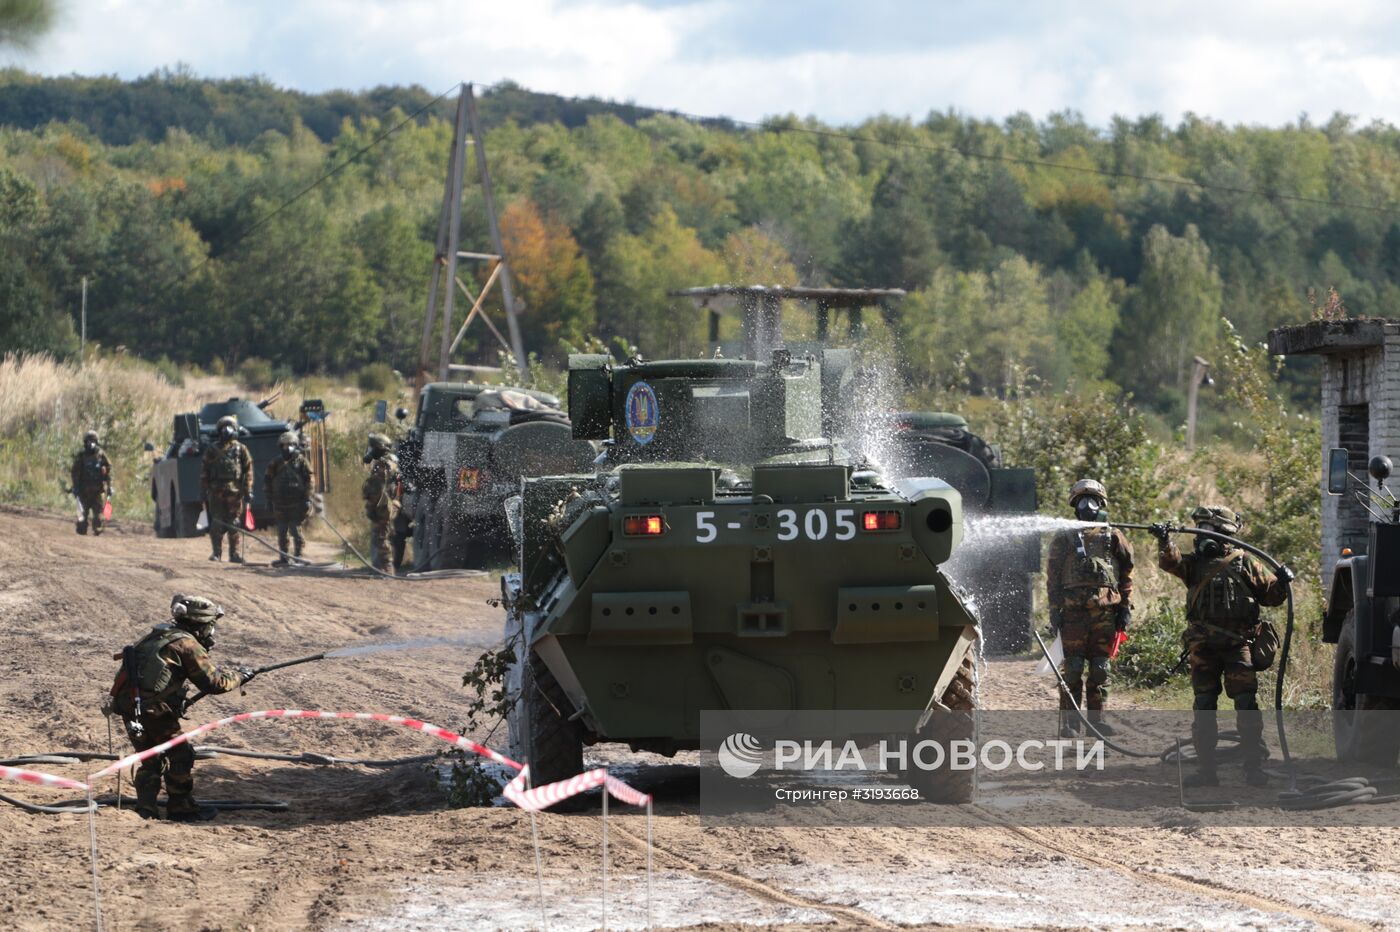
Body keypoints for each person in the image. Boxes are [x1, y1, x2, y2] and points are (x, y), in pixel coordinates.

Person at [1152, 506, 1292, 787]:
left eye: (1210, 529)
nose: (1203, 536)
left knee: (1246, 705)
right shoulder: (1192, 565)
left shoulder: (1245, 562)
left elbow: (1272, 597)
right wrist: (1164, 540)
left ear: (1225, 533)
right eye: (1201, 529)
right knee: (1204, 706)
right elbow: (1170, 562)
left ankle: (1253, 768)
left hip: (1238, 646)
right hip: (1203, 647)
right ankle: (1207, 772)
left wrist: (1284, 581)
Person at [105, 595, 252, 821]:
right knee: (181, 754)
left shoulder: (157, 636)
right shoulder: (186, 644)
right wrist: (240, 676)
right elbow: (214, 683)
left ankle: (146, 809)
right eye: (210, 625)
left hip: (129, 705)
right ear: (200, 624)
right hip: (153, 710)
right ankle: (181, 809)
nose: (212, 632)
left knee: (150, 757)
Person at [1046, 479, 1134, 738]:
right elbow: (1052, 576)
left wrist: (1125, 608)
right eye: (1082, 500)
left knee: (1100, 670)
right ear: (1074, 505)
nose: (1088, 506)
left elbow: (1127, 573)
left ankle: (1097, 723)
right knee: (1072, 670)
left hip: (1105, 615)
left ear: (1101, 504)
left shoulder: (1113, 535)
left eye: (1093, 500)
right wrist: (1054, 610)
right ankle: (1069, 725)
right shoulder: (1064, 537)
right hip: (1072, 616)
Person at [200, 415, 253, 563]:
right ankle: (216, 553)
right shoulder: (212, 449)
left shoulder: (241, 449)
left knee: (234, 523)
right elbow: (205, 470)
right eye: (223, 427)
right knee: (217, 522)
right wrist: (204, 490)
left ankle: (234, 554)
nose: (226, 430)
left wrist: (248, 490)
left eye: (229, 427)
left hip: (235, 492)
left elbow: (248, 470)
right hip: (216, 492)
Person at [264, 431, 313, 566]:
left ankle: (298, 556)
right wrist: (268, 499)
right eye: (285, 445)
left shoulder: (302, 461)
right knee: (282, 531)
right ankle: (284, 557)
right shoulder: (275, 462)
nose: (288, 448)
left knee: (295, 530)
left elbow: (309, 480)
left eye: (291, 444)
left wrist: (307, 498)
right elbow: (267, 480)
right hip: (280, 503)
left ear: (295, 445)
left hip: (297, 503)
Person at [361, 432, 400, 573]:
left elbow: (377, 489)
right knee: (381, 537)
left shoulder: (383, 465)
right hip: (386, 505)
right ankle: (381, 567)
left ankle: (388, 568)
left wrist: (372, 507)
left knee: (382, 538)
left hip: (383, 506)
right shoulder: (390, 461)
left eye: (373, 447)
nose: (370, 450)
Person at [70, 429, 113, 535]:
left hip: (97, 491)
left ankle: (97, 528)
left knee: (98, 516)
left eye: (92, 441)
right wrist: (75, 487)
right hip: (84, 491)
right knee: (82, 521)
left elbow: (108, 469)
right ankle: (83, 528)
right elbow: (75, 472)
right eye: (89, 441)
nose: (91, 443)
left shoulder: (101, 455)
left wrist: (108, 483)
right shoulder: (81, 456)